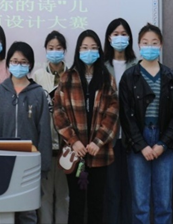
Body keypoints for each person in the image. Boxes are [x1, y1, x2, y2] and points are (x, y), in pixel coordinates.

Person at [118, 23, 173, 224]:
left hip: (164, 141)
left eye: (154, 43)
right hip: (139, 141)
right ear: (138, 45)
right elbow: (125, 116)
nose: (150, 47)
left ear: (161, 45)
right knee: (140, 204)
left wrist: (163, 144)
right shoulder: (130, 76)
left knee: (164, 203)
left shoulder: (170, 77)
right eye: (145, 43)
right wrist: (141, 145)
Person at [53, 30, 119, 224]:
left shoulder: (107, 78)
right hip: (75, 153)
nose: (88, 51)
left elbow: (113, 112)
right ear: (78, 51)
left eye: (93, 48)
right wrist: (74, 141)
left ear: (99, 51)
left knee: (97, 204)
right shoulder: (67, 78)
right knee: (76, 203)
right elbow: (58, 113)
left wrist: (98, 141)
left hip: (99, 152)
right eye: (84, 47)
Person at [0, 41, 52, 224]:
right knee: (4, 210)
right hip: (3, 161)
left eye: (23, 62)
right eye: (15, 61)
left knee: (28, 212)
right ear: (8, 63)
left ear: (30, 64)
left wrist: (43, 166)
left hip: (29, 164)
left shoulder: (38, 93)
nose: (19, 65)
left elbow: (44, 131)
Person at [102, 18, 137, 224]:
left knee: (131, 190)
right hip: (110, 138)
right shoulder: (102, 66)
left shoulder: (137, 65)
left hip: (132, 138)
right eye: (116, 34)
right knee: (112, 191)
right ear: (109, 38)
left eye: (124, 34)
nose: (120, 38)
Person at [32, 30, 69, 224]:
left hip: (67, 147)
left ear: (64, 50)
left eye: (58, 48)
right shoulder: (37, 76)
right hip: (44, 146)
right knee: (44, 195)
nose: (55, 52)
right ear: (45, 50)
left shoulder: (72, 75)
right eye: (51, 48)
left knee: (63, 195)